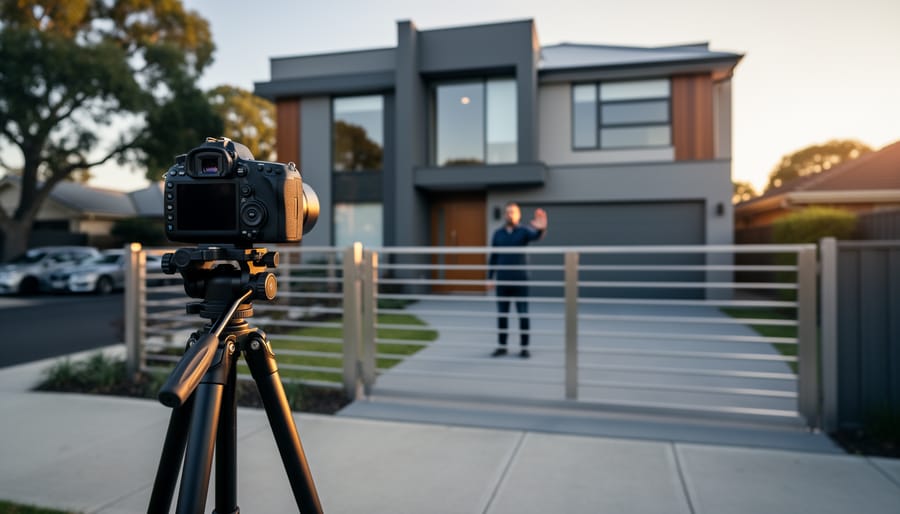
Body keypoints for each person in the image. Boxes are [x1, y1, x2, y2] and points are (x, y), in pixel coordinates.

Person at [487, 202, 548, 358]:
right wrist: (489, 277)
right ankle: (502, 346)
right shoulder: (497, 233)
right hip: (502, 281)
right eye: (507, 212)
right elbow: (493, 256)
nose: (510, 214)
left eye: (513, 212)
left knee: (523, 313)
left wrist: (542, 228)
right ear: (504, 215)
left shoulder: (524, 231)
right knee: (502, 314)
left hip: (521, 280)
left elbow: (536, 235)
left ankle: (524, 348)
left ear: (518, 215)